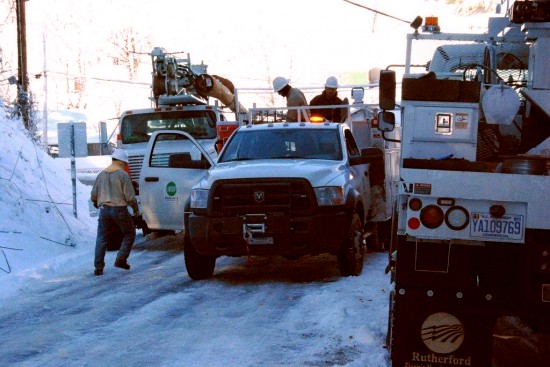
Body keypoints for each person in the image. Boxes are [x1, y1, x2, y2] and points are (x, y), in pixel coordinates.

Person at [90, 148, 140, 276]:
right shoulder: (123, 175)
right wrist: (136, 210)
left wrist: (98, 203)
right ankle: (121, 259)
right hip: (120, 210)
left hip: (104, 210)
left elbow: (93, 195)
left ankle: (98, 267)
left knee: (101, 238)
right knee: (129, 233)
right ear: (123, 162)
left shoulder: (101, 174)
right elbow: (130, 197)